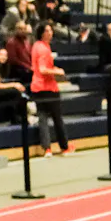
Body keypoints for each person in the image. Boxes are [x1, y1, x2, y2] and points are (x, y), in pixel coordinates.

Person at [31, 21, 70, 157]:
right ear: (41, 33)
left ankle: (47, 148)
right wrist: (57, 71)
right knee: (56, 117)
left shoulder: (37, 46)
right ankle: (64, 146)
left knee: (42, 117)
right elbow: (42, 69)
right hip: (47, 88)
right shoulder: (43, 48)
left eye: (51, 30)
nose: (50, 33)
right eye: (47, 31)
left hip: (37, 87)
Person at [2, 20, 34, 88]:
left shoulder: (27, 41)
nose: (22, 31)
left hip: (28, 67)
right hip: (18, 69)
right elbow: (13, 60)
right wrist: (28, 67)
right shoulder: (11, 42)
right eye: (20, 29)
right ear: (16, 30)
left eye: (24, 28)